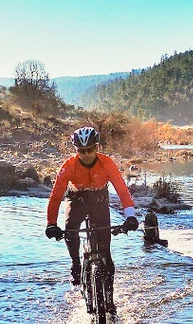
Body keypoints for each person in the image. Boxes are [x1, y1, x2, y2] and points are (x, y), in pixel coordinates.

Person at [46, 126, 139, 313]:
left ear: (97, 147)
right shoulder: (68, 166)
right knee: (70, 228)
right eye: (81, 151)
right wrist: (51, 224)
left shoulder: (107, 163)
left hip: (99, 201)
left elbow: (122, 191)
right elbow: (55, 197)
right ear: (76, 150)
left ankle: (110, 301)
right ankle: (75, 264)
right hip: (76, 199)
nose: (86, 155)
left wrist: (130, 216)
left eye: (90, 150)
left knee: (107, 255)